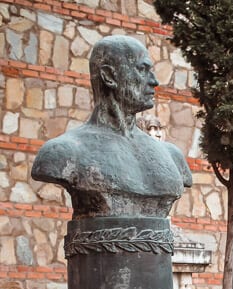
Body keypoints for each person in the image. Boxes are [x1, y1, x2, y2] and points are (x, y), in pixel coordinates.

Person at [31, 35, 191, 218]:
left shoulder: (171, 156)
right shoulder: (64, 152)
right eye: (142, 69)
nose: (154, 81)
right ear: (109, 76)